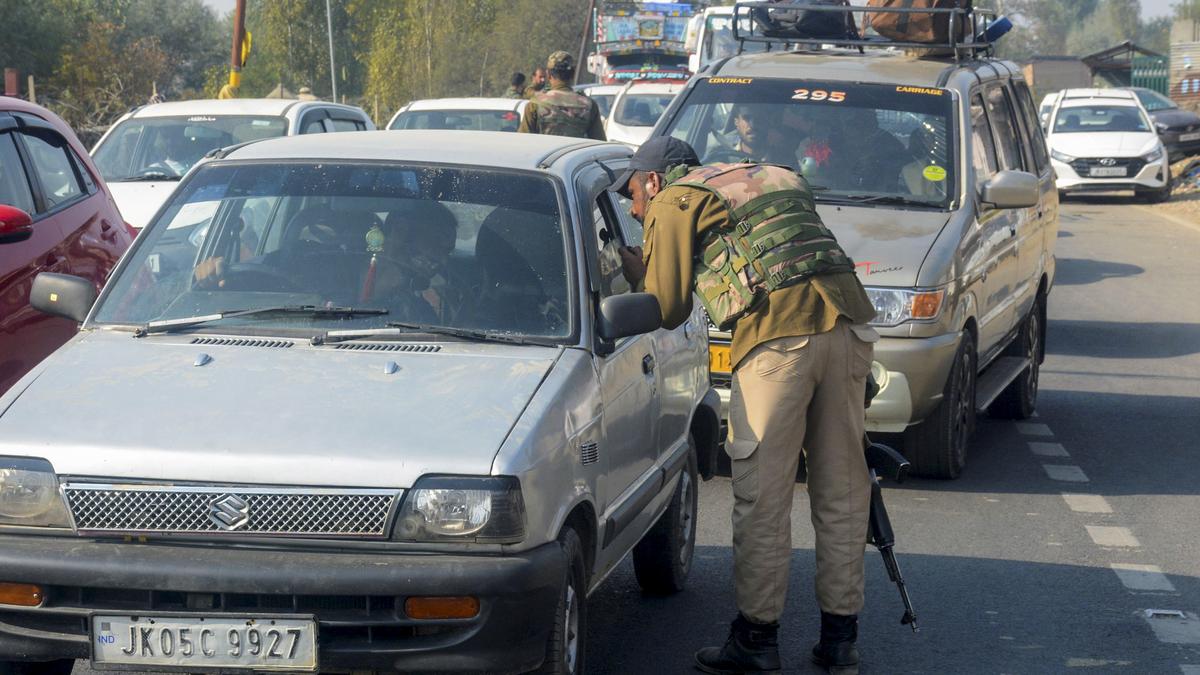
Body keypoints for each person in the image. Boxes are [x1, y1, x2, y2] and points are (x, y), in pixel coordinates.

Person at [614, 137, 878, 675]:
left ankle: (757, 639)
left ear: (655, 180)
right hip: (849, 327)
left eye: (633, 193)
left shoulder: (674, 199)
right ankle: (840, 642)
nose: (633, 207)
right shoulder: (774, 174)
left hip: (779, 341)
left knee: (764, 494)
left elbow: (667, 307)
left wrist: (636, 269)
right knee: (843, 490)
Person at [517, 52, 606, 141]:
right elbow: (599, 144)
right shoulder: (589, 106)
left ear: (548, 75)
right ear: (573, 74)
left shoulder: (534, 105)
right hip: (576, 154)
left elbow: (523, 143)